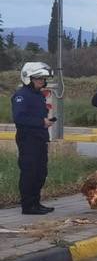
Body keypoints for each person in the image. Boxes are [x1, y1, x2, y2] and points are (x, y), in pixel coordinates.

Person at [11, 62, 54, 214]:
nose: (42, 81)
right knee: (30, 172)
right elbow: (19, 118)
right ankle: (28, 206)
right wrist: (40, 122)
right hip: (28, 139)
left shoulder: (37, 95)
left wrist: (45, 122)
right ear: (29, 78)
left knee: (40, 172)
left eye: (43, 78)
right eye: (38, 78)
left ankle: (36, 202)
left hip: (39, 138)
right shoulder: (22, 95)